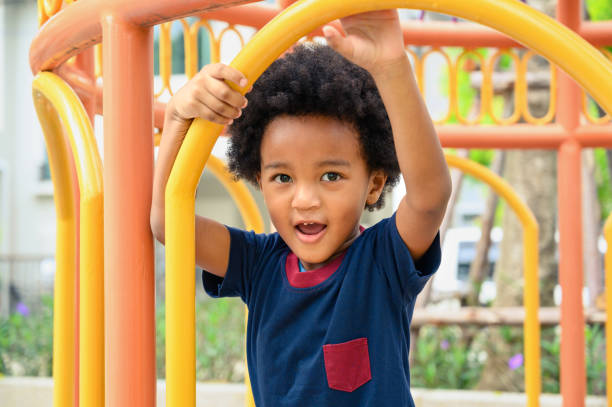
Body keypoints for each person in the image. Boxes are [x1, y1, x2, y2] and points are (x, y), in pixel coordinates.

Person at [150, 9, 451, 406]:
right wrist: (176, 118)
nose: (305, 200)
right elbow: (168, 223)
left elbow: (430, 197)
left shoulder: (380, 262)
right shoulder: (259, 266)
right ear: (259, 179)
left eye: (330, 177)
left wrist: (391, 68)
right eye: (283, 178)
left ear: (374, 184)